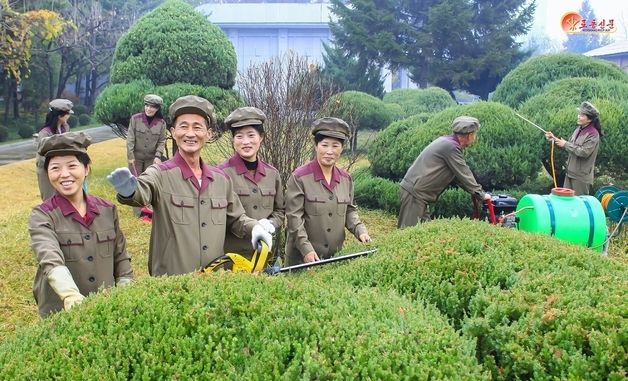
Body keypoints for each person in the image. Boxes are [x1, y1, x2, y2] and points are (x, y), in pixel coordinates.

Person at [107, 95, 273, 276]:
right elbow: (142, 190)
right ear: (173, 132)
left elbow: (236, 218)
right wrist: (129, 190)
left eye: (197, 127)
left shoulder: (221, 179)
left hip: (214, 282)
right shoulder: (161, 173)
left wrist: (255, 227)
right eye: (183, 126)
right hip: (172, 284)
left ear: (208, 134)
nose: (190, 133)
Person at [28, 132, 133, 318]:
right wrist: (69, 295)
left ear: (86, 169)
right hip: (60, 312)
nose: (64, 174)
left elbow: (121, 257)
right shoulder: (42, 215)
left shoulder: (107, 210)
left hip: (105, 306)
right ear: (48, 174)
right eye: (55, 168)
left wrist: (125, 294)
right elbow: (49, 255)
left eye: (72, 166)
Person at [285, 117, 370, 266]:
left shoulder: (346, 179)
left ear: (342, 148)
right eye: (325, 145)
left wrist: (360, 230)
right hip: (302, 261)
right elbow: (294, 219)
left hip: (334, 258)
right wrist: (306, 250)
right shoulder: (300, 177)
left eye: (335, 146)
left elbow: (349, 211)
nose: (329, 151)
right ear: (316, 146)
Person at [398, 116, 491, 228]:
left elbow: (458, 176)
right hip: (415, 194)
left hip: (418, 194)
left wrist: (476, 192)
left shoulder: (448, 143)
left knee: (424, 234)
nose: (475, 137)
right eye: (475, 134)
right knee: (408, 234)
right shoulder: (451, 147)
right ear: (469, 135)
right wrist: (481, 194)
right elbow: (464, 173)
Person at [218, 107, 285, 260]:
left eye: (251, 135)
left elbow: (280, 211)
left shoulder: (272, 174)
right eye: (239, 136)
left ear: (261, 137)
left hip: (265, 255)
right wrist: (253, 227)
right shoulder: (220, 174)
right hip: (232, 257)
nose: (246, 142)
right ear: (233, 140)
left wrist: (270, 224)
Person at [545, 101, 602, 195]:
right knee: (566, 202)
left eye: (582, 115)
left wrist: (566, 144)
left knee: (579, 205)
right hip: (569, 174)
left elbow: (584, 152)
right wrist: (554, 139)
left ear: (589, 119)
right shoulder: (578, 129)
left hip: (581, 177)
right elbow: (570, 147)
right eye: (579, 114)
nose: (579, 116)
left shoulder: (593, 134)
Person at [36, 99, 74, 200]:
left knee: (66, 198)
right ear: (60, 116)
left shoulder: (65, 128)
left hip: (63, 168)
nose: (69, 116)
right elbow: (42, 157)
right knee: (51, 200)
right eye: (67, 114)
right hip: (47, 170)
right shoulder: (45, 133)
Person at [127, 94, 168, 176]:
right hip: (136, 159)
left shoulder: (162, 123)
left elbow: (161, 141)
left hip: (151, 160)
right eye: (147, 105)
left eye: (152, 107)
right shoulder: (135, 119)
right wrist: (130, 156)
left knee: (149, 183)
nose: (148, 109)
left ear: (157, 108)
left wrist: (158, 156)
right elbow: (130, 139)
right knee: (135, 183)